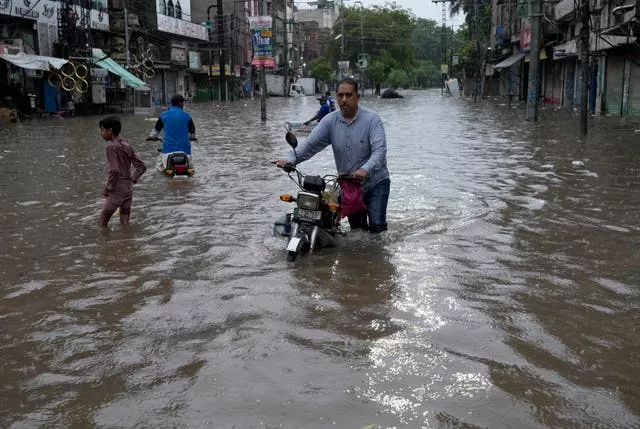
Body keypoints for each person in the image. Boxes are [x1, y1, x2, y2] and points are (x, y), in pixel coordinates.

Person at [277, 77, 390, 233]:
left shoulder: (372, 120)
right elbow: (310, 145)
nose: (344, 100)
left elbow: (380, 151)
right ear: (336, 97)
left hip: (376, 181)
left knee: (377, 226)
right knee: (358, 231)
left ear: (357, 97)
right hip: (350, 186)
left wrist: (364, 170)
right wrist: (291, 160)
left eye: (349, 95)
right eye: (340, 95)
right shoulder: (329, 121)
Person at [98, 116, 146, 228]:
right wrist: (132, 179)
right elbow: (141, 166)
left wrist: (108, 188)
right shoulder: (127, 146)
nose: (100, 133)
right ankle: (126, 242)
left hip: (117, 188)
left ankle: (104, 244)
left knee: (102, 222)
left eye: (102, 130)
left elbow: (114, 171)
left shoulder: (111, 147)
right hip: (128, 189)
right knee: (125, 223)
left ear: (109, 130)